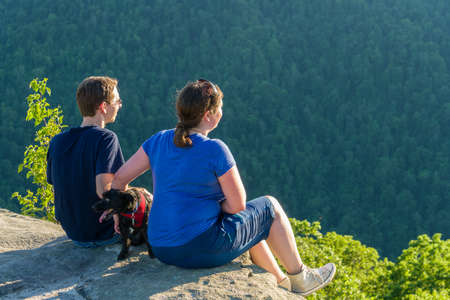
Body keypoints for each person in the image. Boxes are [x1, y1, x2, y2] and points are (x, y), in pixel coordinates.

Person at [111, 79, 336, 296]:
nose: (222, 113)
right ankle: (301, 276)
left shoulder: (158, 140)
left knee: (249, 225)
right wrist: (212, 208)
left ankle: (282, 284)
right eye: (220, 109)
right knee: (269, 207)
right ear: (209, 116)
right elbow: (237, 206)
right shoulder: (215, 149)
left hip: (160, 246)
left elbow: (119, 180)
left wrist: (121, 217)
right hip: (199, 248)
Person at [47, 76, 125, 247]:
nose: (120, 105)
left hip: (74, 233)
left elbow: (56, 183)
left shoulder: (57, 141)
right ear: (103, 107)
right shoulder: (106, 138)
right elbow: (103, 190)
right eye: (117, 101)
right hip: (104, 232)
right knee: (142, 200)